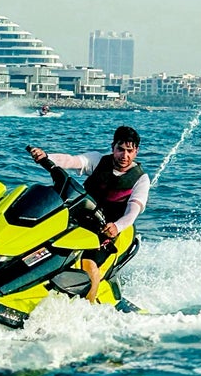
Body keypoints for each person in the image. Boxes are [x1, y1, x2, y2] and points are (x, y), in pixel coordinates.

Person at [26, 125, 149, 303]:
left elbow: (133, 210)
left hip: (106, 228)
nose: (124, 155)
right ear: (112, 147)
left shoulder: (141, 179)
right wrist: (47, 157)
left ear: (136, 151)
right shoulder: (98, 160)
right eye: (120, 149)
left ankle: (87, 310)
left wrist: (117, 226)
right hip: (80, 218)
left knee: (88, 263)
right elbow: (71, 161)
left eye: (130, 151)